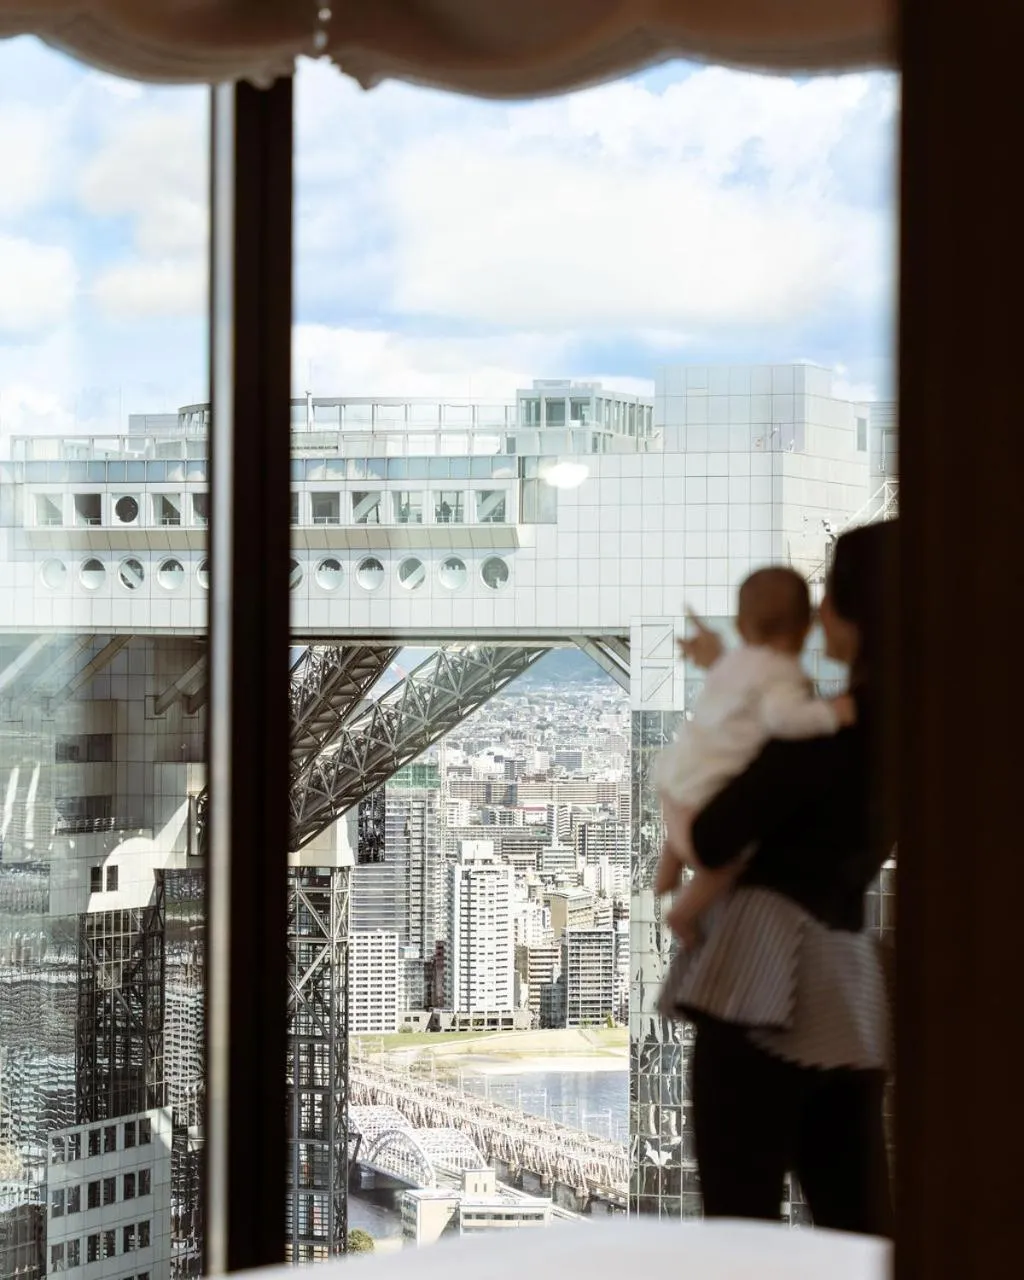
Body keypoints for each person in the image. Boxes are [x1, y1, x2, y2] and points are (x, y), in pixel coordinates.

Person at [658, 520, 896, 1236]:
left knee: (740, 1219)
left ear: (841, 613)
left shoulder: (824, 737)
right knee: (859, 1219)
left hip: (757, 974)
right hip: (849, 983)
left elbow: (712, 834)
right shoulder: (919, 727)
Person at [653, 566, 854, 949]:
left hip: (674, 783)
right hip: (702, 807)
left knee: (682, 826)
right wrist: (833, 713)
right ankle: (683, 913)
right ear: (806, 627)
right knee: (733, 861)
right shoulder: (782, 673)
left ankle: (666, 873)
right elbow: (784, 719)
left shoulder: (734, 662)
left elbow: (723, 674)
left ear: (742, 627)